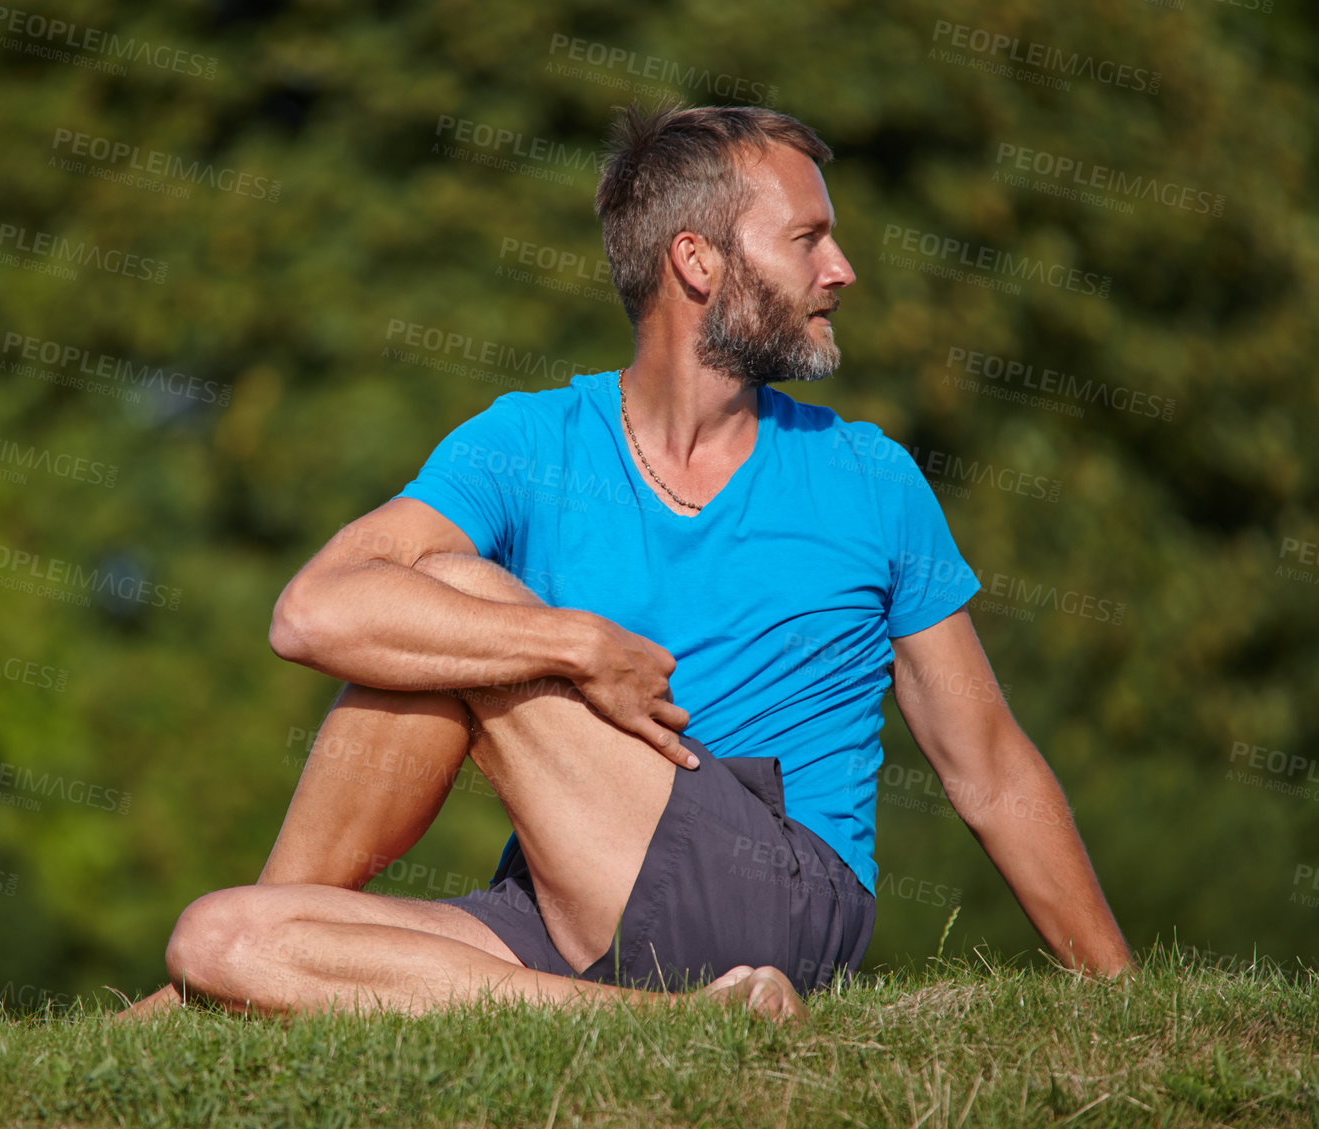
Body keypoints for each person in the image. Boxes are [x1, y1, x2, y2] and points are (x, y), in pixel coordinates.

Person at [117, 103, 1133, 1025]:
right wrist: (577, 644)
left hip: (770, 891)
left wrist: (1120, 995)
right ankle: (657, 1025)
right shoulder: (528, 440)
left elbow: (987, 763)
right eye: (807, 239)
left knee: (449, 600)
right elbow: (312, 612)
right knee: (223, 934)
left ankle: (194, 1012)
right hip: (572, 914)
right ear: (697, 262)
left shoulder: (868, 477)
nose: (842, 270)